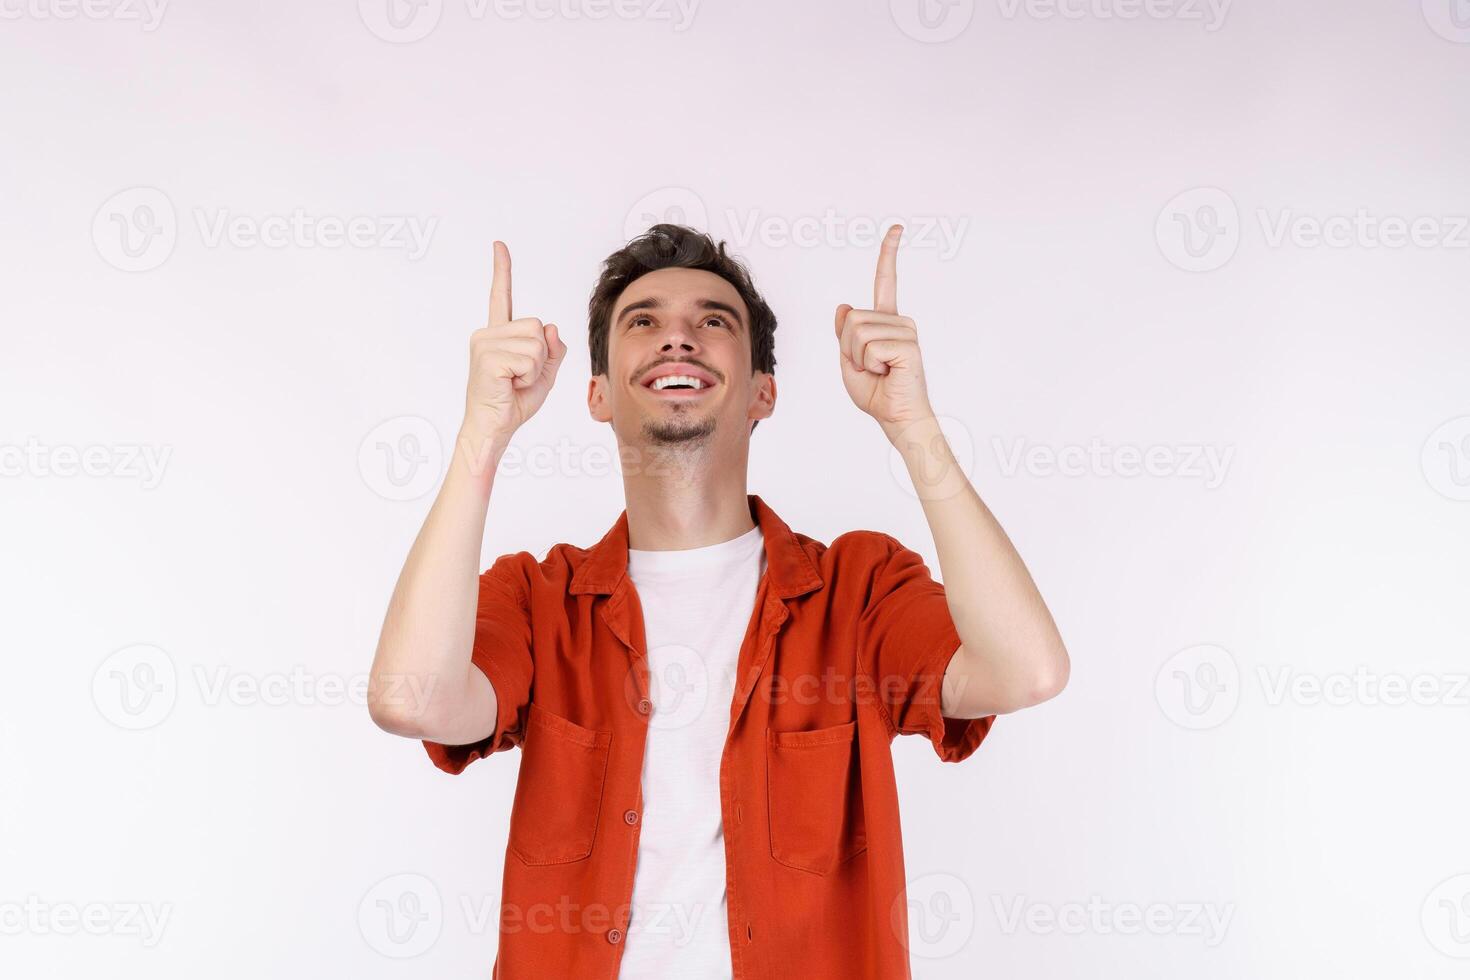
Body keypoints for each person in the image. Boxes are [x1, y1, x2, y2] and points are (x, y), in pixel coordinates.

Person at [367, 222, 1069, 978]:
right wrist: (483, 432)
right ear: (597, 393)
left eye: (712, 321)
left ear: (764, 391)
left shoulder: (859, 591)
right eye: (643, 323)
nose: (678, 339)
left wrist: (913, 427)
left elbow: (1024, 671)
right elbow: (413, 700)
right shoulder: (542, 601)